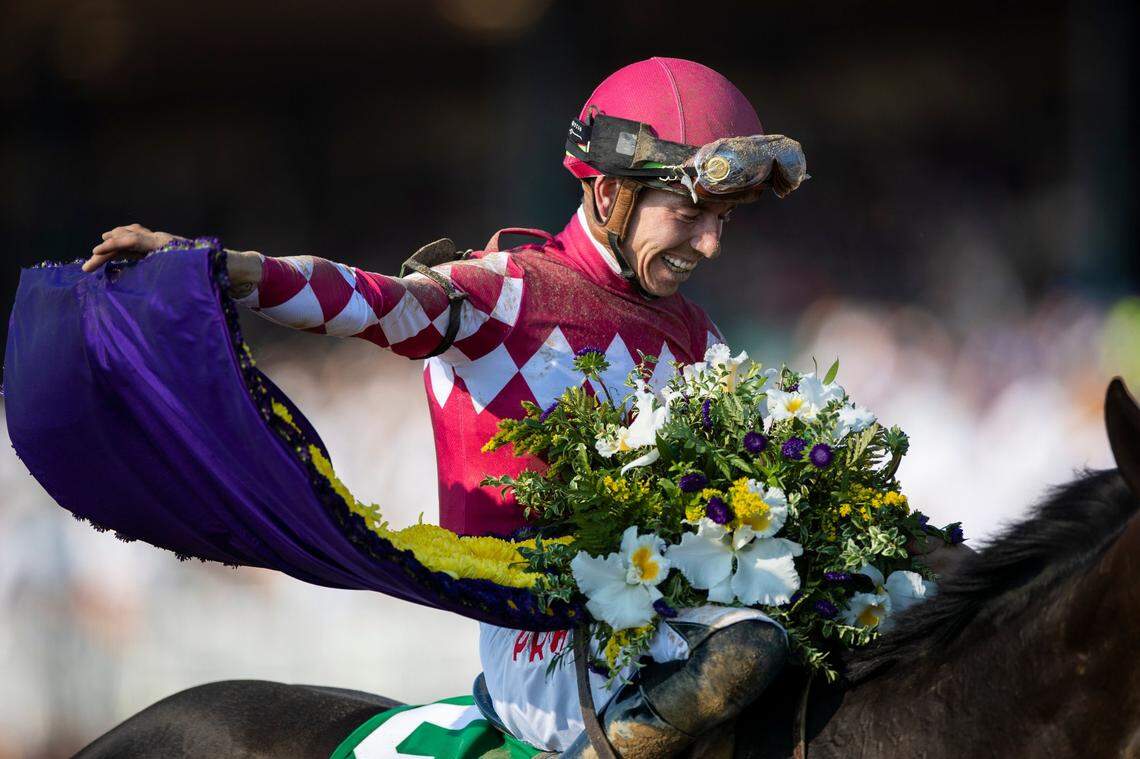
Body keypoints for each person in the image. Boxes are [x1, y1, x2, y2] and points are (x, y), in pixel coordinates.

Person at [83, 58, 813, 757]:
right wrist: (225, 268)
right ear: (607, 192)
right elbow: (371, 302)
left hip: (661, 617)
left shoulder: (697, 335)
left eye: (723, 219)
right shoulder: (503, 291)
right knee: (746, 648)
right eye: (690, 214)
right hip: (542, 639)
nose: (711, 244)